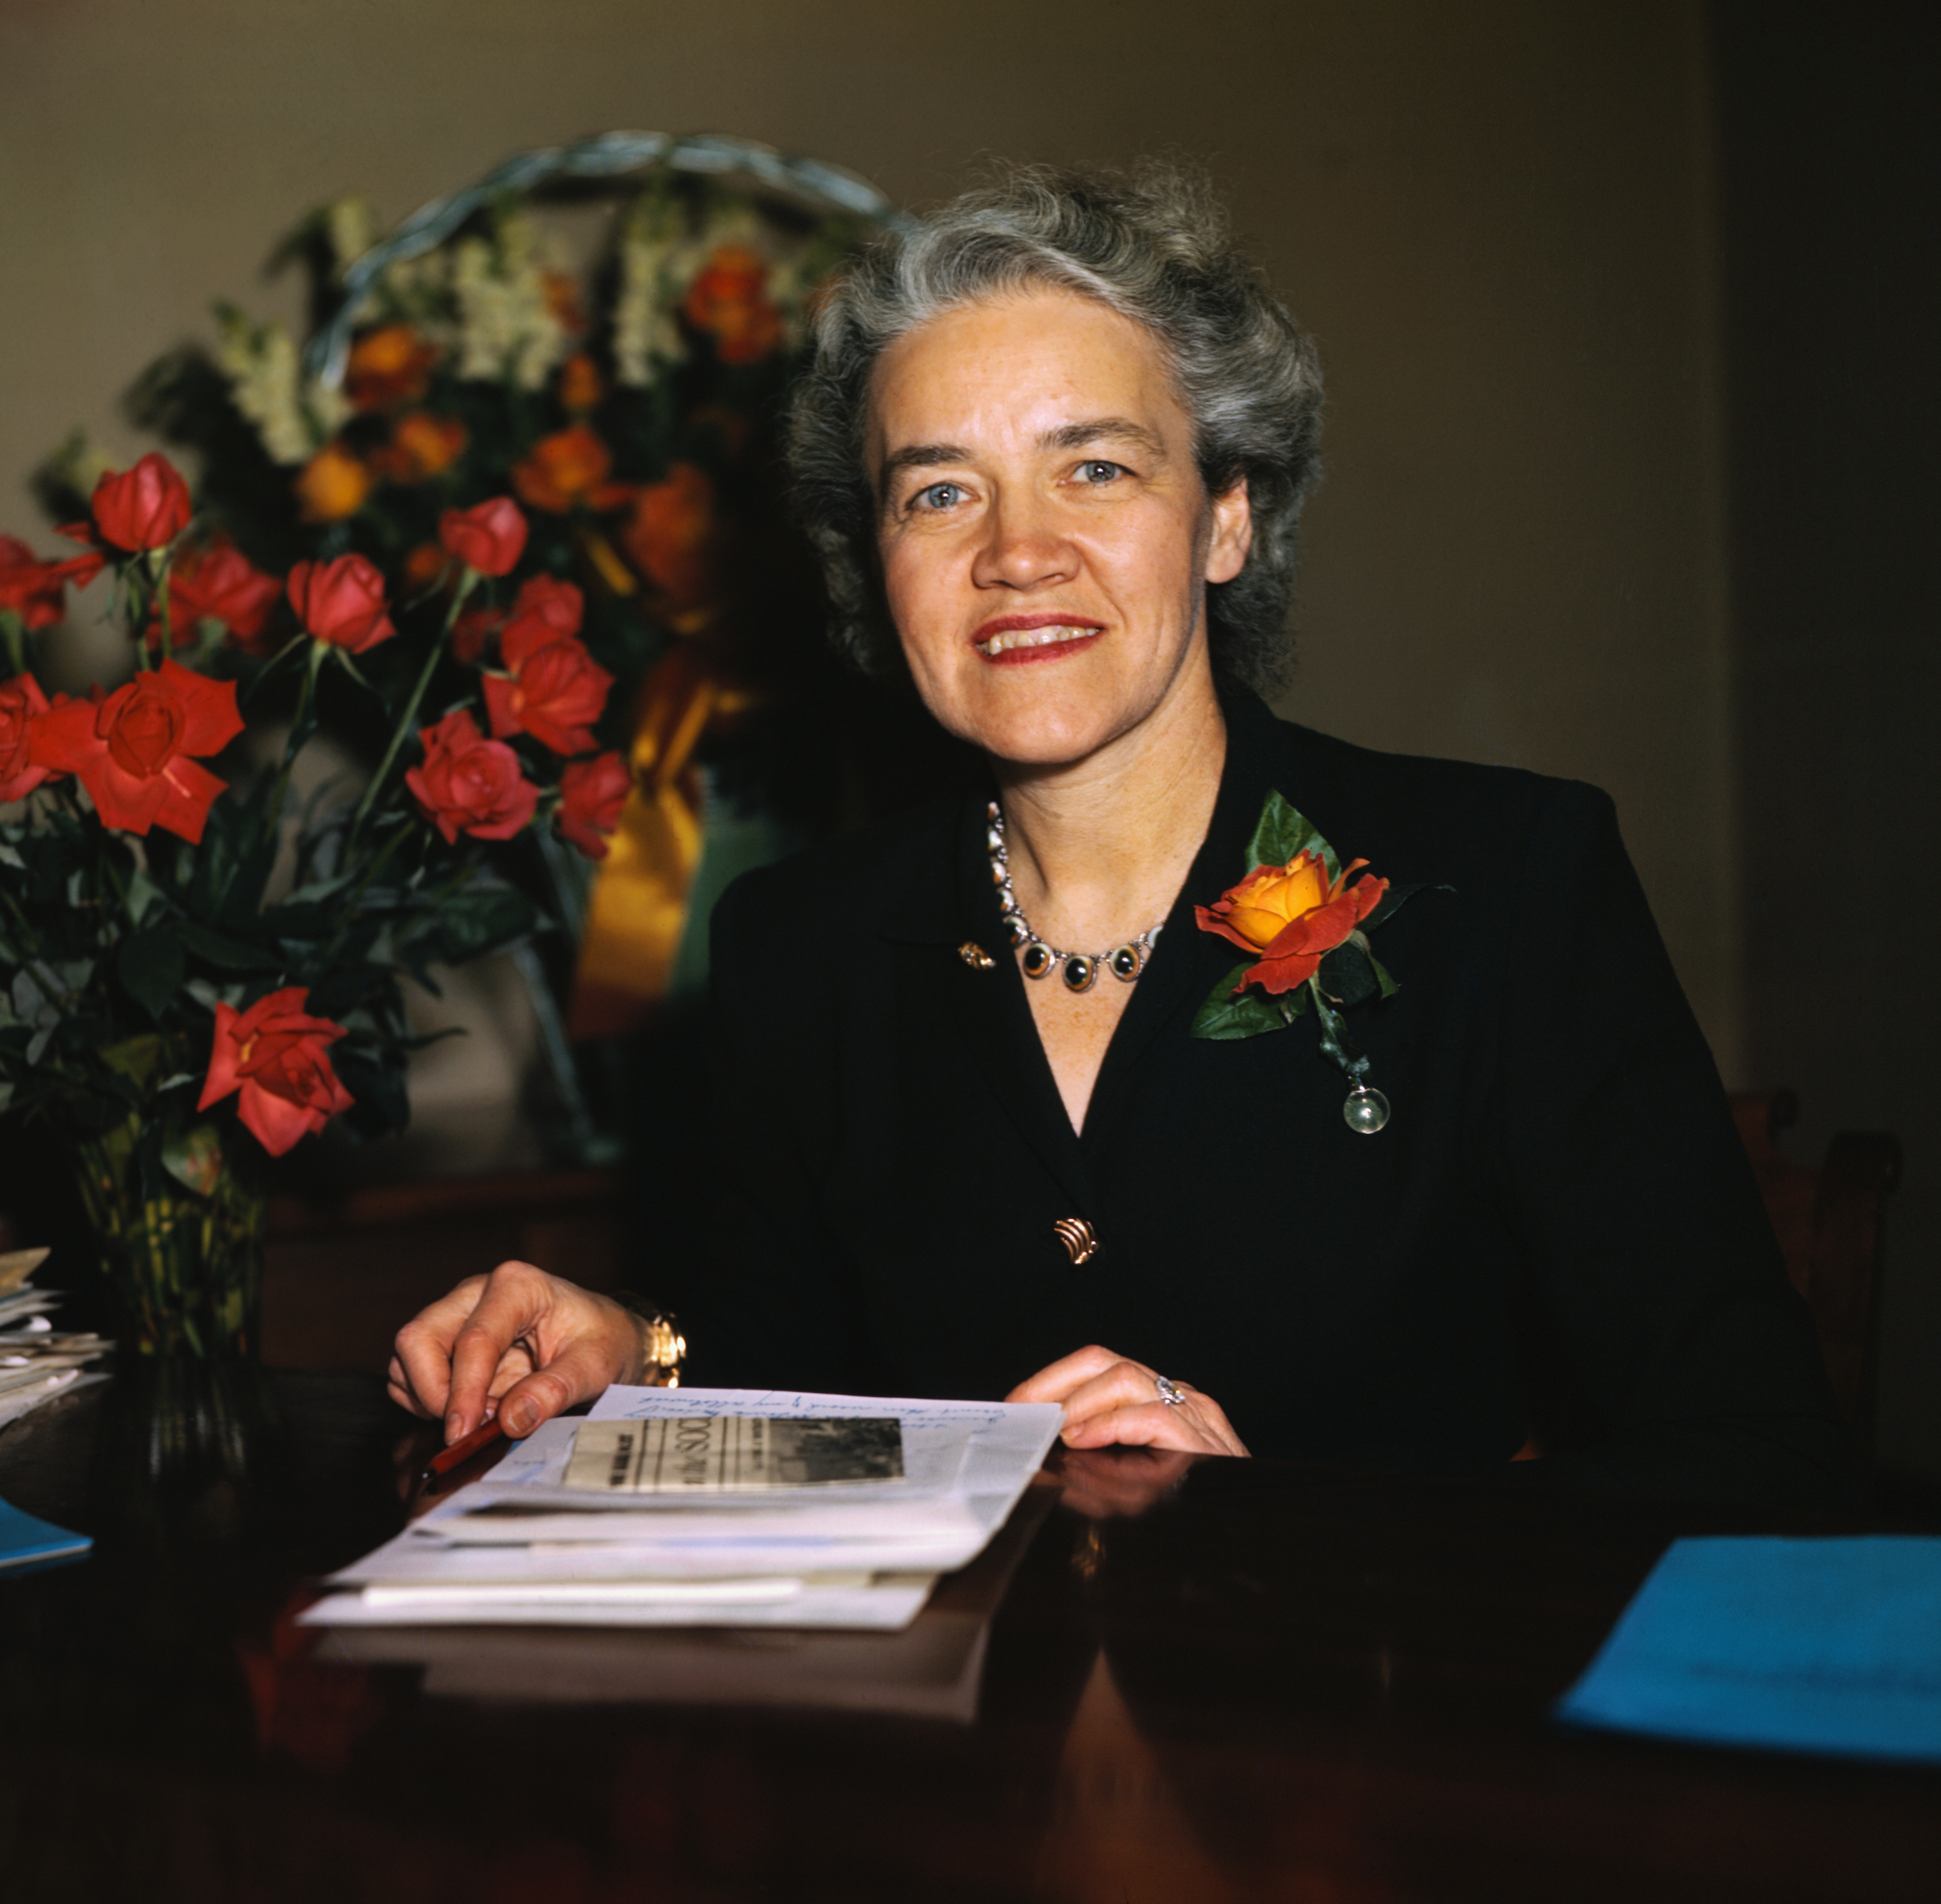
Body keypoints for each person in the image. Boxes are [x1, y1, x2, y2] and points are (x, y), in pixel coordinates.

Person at [392, 160, 1848, 1504]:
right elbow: (804, 1405)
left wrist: (1281, 1519)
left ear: (1227, 518)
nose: (1015, 552)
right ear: (878, 564)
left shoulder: (1509, 884)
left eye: (1094, 466)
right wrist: (638, 1354)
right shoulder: (797, 944)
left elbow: (1762, 1464)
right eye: (939, 490)